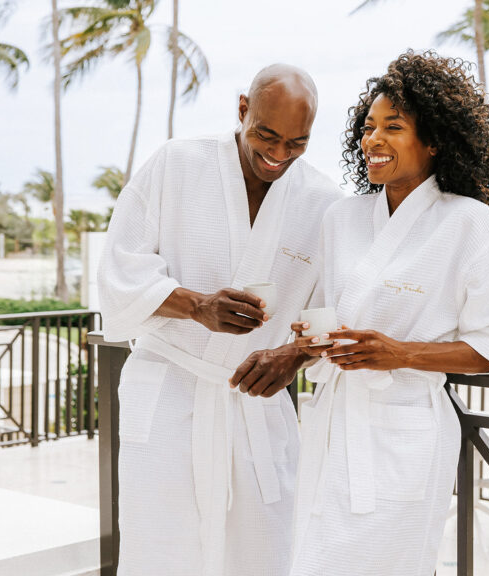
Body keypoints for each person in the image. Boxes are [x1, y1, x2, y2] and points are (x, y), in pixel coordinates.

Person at [287, 51, 489, 576]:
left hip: (404, 440)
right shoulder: (342, 218)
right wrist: (312, 342)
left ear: (434, 142)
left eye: (393, 127)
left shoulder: (468, 225)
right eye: (367, 127)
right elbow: (328, 308)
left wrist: (401, 354)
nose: (372, 140)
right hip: (330, 427)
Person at [98, 64, 342, 576]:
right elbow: (121, 269)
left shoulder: (323, 202)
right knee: (163, 549)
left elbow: (332, 308)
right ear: (242, 110)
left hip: (256, 406)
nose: (278, 155)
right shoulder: (177, 164)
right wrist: (196, 305)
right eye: (266, 136)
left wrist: (295, 355)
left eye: (296, 143)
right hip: (170, 393)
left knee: (262, 551)